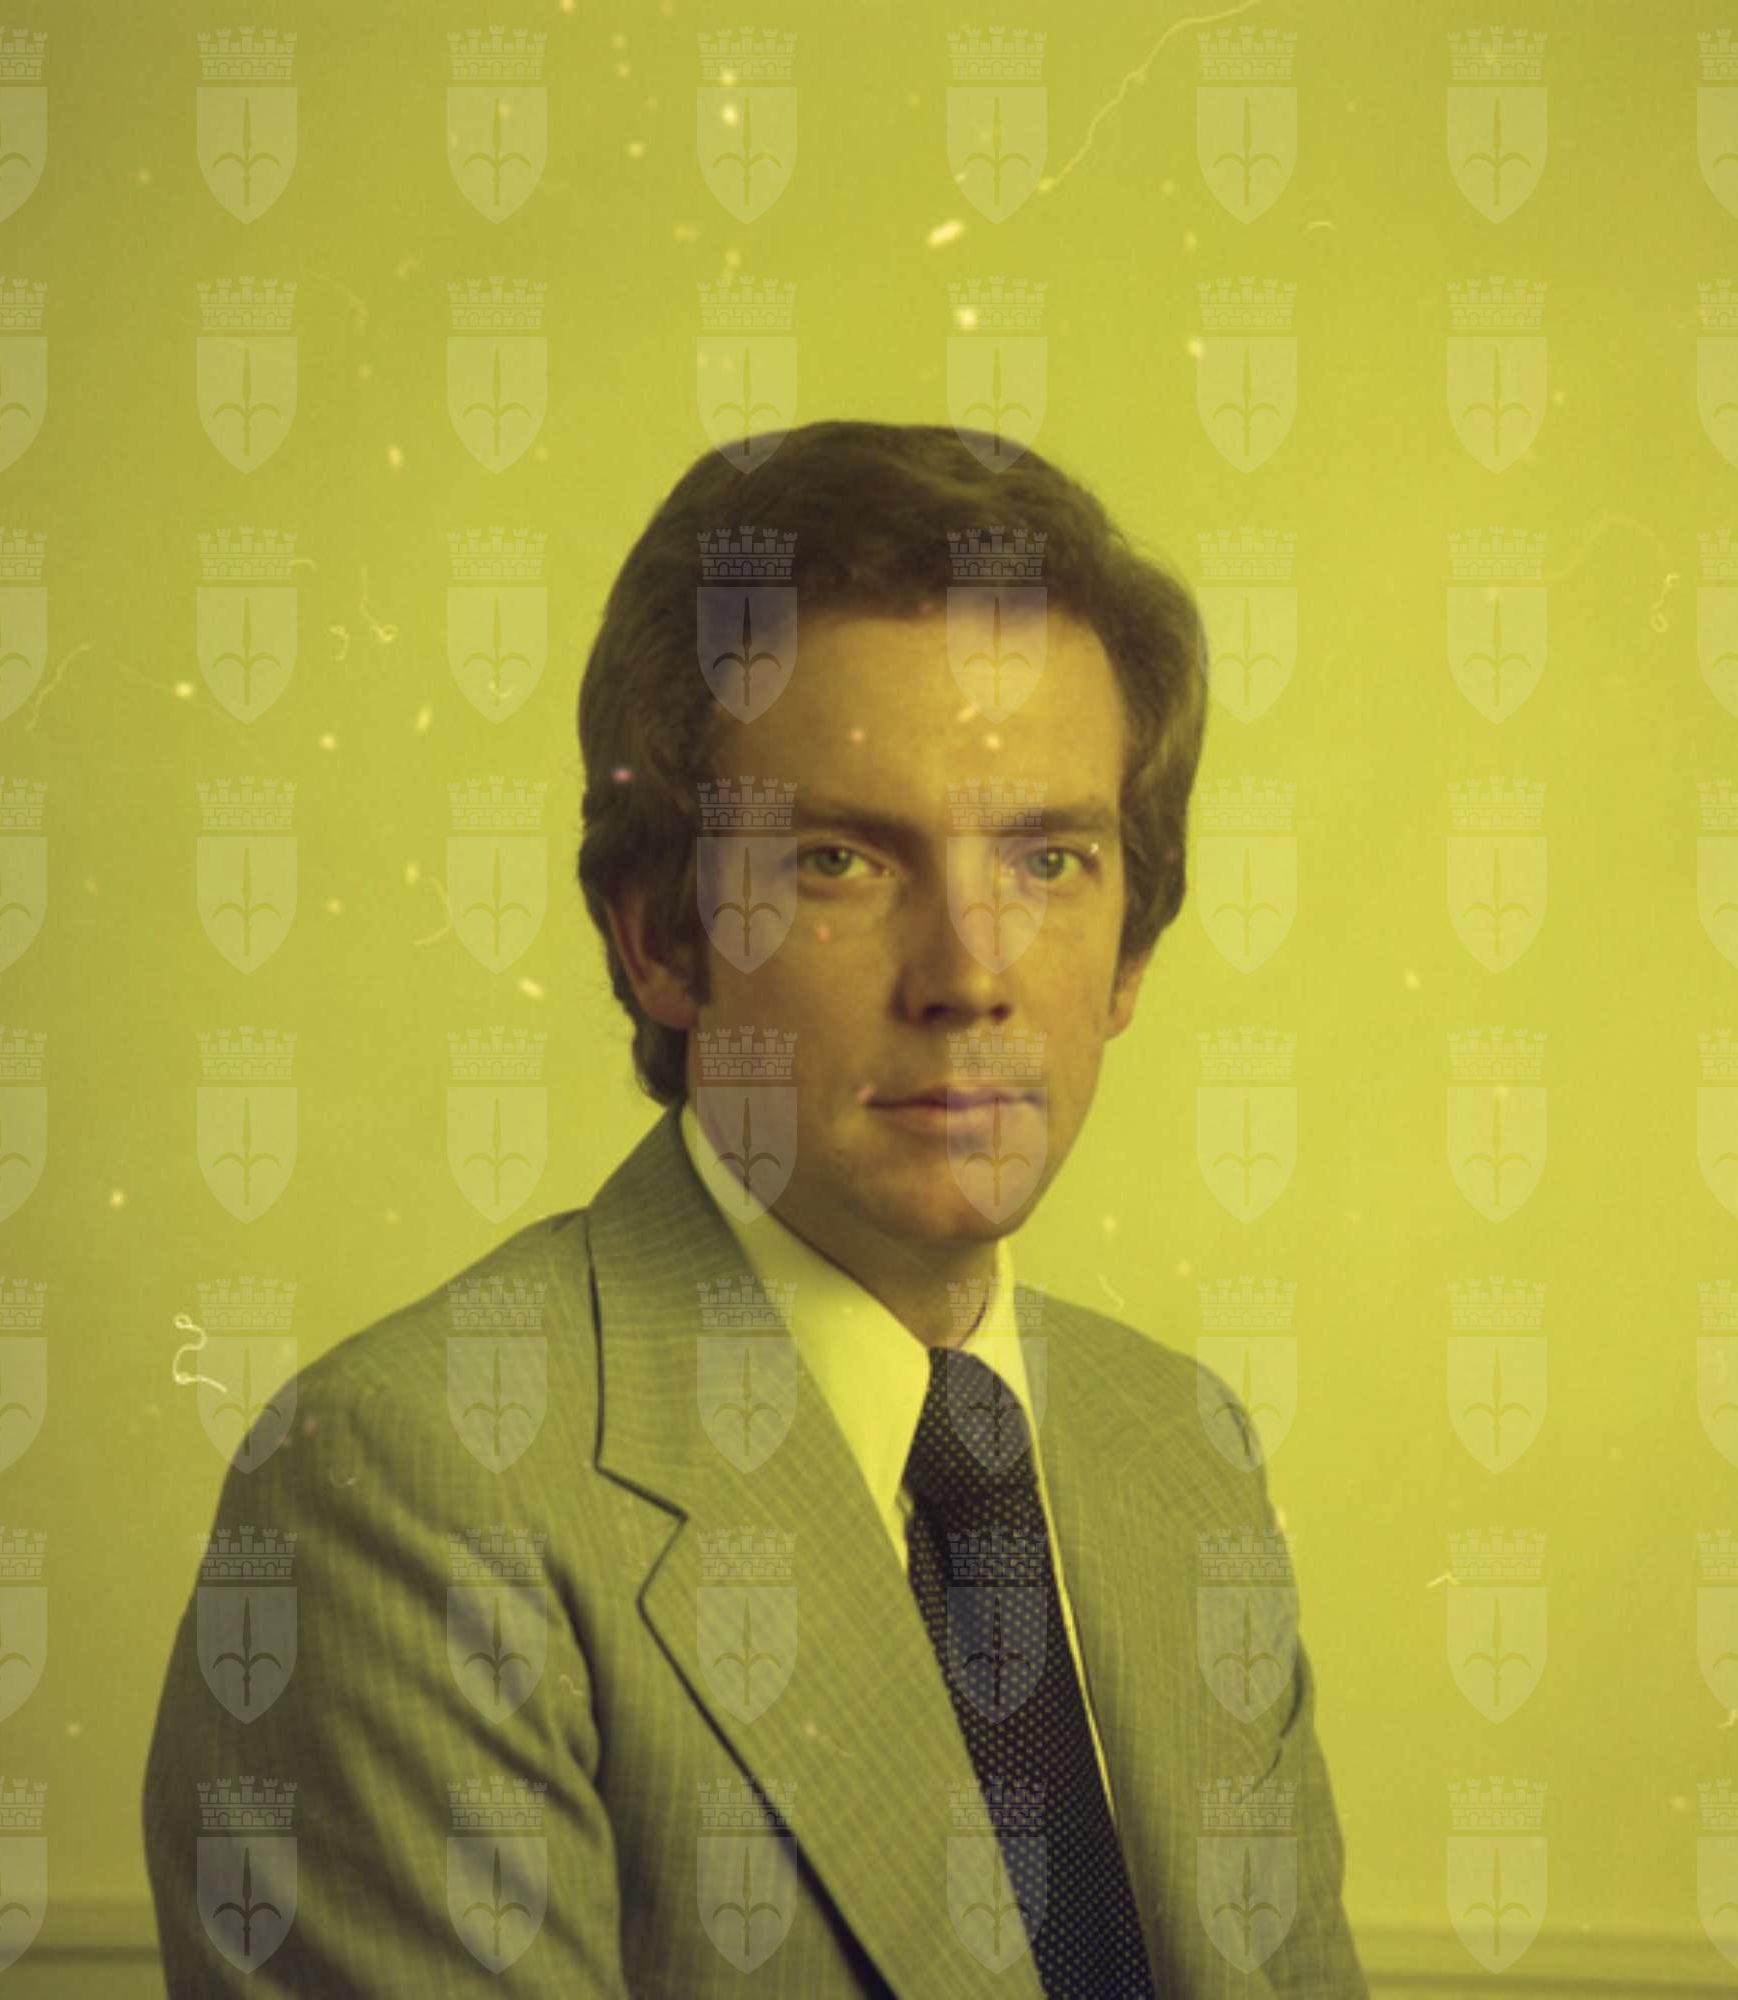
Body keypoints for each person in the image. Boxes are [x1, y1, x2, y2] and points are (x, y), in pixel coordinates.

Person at [141, 420, 1368, 1995]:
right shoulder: (407, 1490)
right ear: (659, 937)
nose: (972, 976)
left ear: (1131, 952)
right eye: (842, 859)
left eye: (1049, 861)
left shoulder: (1176, 1453)